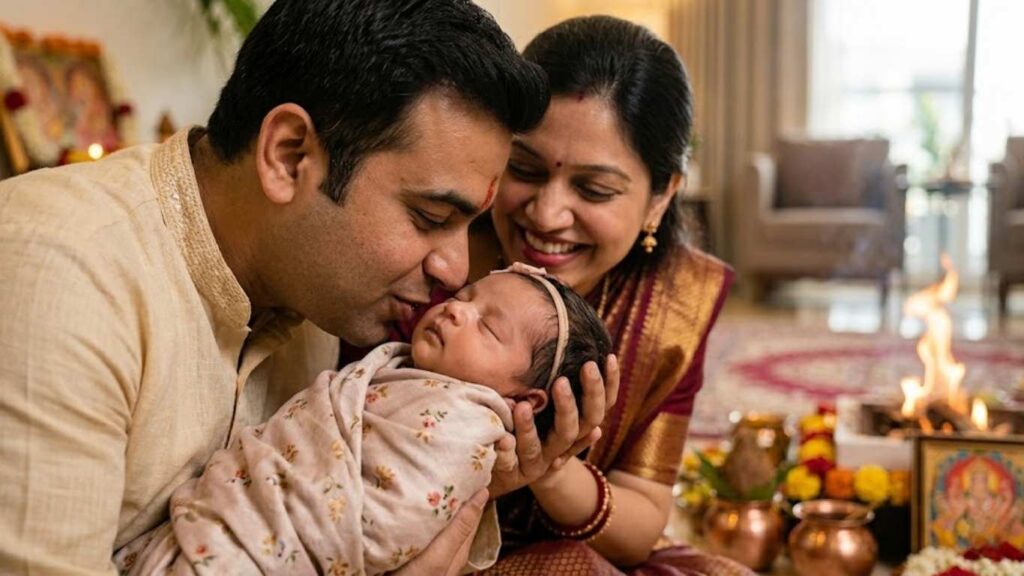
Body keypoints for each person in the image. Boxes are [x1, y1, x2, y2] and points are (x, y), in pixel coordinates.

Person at [0, 2, 618, 574]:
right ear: (290, 155)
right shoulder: (58, 276)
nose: (456, 272)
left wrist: (456, 472)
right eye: (430, 217)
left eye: (468, 227)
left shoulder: (316, 294)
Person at [472, 16, 748, 574]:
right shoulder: (442, 251)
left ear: (659, 198)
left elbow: (639, 528)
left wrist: (551, 469)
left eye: (594, 189)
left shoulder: (674, 305)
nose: (547, 215)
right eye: (523, 168)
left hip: (578, 546)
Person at [113, 265, 611, 574]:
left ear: (526, 400)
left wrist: (296, 527)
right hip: (246, 494)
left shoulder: (466, 427)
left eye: (489, 327)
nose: (457, 312)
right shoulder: (402, 367)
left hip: (284, 540)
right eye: (466, 298)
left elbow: (395, 517)